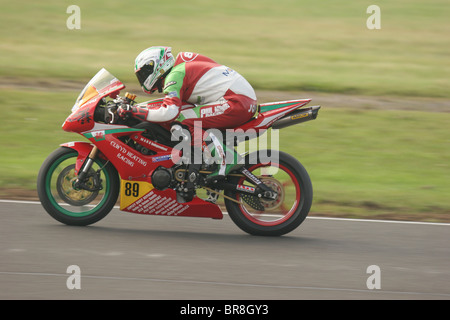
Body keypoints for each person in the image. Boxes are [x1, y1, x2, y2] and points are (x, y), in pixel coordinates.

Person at [118, 46, 258, 181]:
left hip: (236, 102)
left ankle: (226, 158)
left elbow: (169, 113)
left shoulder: (175, 76)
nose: (143, 78)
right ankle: (206, 159)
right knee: (185, 115)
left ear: (157, 66)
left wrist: (135, 111)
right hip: (239, 99)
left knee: (183, 119)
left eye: (144, 74)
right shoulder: (180, 68)